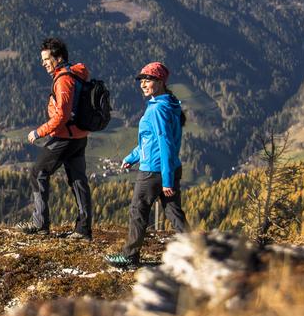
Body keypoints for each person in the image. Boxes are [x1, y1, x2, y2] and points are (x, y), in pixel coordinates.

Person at [106, 61, 189, 267]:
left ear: (160, 82)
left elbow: (165, 143)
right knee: (173, 211)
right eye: (142, 80)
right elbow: (149, 141)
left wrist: (166, 179)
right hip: (168, 167)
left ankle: (129, 256)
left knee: (138, 210)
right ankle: (197, 251)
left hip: (153, 171)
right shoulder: (169, 104)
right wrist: (132, 157)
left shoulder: (157, 110)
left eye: (148, 80)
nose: (143, 84)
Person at [17, 37, 93, 240]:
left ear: (58, 58)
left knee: (37, 172)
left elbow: (62, 115)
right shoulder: (76, 75)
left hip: (64, 137)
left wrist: (39, 132)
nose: (43, 63)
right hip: (79, 136)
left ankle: (40, 224)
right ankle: (83, 229)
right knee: (78, 180)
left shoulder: (64, 80)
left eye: (46, 59)